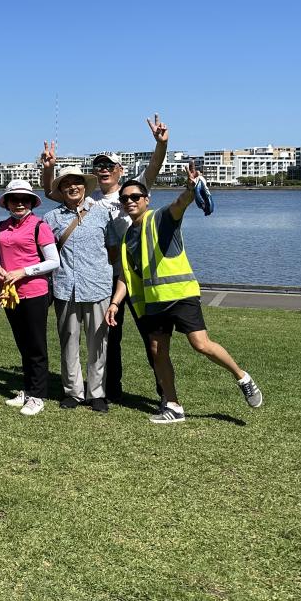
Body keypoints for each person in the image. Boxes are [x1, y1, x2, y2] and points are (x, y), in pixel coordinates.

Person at [105, 167, 264, 424]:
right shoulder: (126, 239)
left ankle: (242, 377)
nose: (130, 201)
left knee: (200, 344)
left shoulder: (160, 218)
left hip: (181, 294)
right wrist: (115, 303)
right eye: (125, 199)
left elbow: (180, 204)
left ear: (147, 199)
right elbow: (126, 275)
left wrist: (190, 189)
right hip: (154, 302)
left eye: (135, 197)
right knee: (157, 351)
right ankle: (173, 405)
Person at [41, 115, 170, 402]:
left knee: (152, 336)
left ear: (120, 170)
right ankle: (109, 391)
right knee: (109, 338)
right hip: (106, 277)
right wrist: (48, 169)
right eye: (99, 166)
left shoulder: (132, 190)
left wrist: (161, 144)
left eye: (109, 166)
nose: (103, 170)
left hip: (137, 274)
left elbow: (154, 167)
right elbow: (52, 192)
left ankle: (165, 392)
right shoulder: (90, 200)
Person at [42, 167, 114, 413]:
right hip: (65, 287)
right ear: (60, 190)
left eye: (77, 183)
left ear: (85, 186)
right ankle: (73, 391)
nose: (73, 187)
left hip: (98, 286)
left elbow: (112, 249)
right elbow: (43, 252)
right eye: (66, 184)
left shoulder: (102, 213)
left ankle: (97, 393)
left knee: (98, 343)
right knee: (69, 342)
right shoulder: (51, 218)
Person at [0, 180, 60, 417]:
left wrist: (24, 271)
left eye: (24, 199)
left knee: (36, 346)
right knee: (22, 344)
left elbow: (54, 261)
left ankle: (38, 395)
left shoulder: (39, 226)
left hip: (34, 292)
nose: (19, 203)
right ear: (7, 203)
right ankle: (28, 388)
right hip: (11, 295)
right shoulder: (1, 226)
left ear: (31, 202)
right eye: (14, 199)